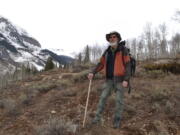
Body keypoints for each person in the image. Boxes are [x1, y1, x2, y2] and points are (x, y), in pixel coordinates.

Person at [88, 31, 131, 128]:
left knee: (119, 101)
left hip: (120, 80)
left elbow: (128, 65)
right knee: (103, 98)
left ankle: (117, 120)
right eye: (110, 38)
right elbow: (101, 64)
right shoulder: (107, 52)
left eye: (114, 37)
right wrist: (92, 72)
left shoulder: (123, 50)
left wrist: (126, 79)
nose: (112, 39)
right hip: (109, 80)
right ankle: (97, 118)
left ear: (118, 39)